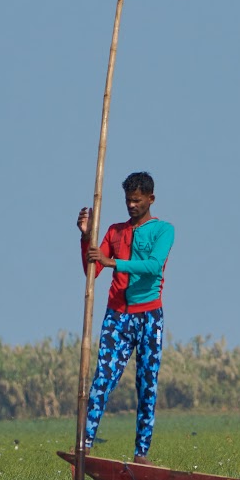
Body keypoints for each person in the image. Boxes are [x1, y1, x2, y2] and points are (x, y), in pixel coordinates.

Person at [77, 171, 175, 464]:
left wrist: (115, 262)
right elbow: (92, 272)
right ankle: (84, 444)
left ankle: (141, 454)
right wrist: (86, 238)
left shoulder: (164, 230)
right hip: (117, 317)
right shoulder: (114, 231)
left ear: (150, 199)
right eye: (128, 200)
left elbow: (154, 266)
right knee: (101, 382)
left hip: (149, 317)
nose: (131, 205)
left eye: (137, 200)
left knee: (147, 386)